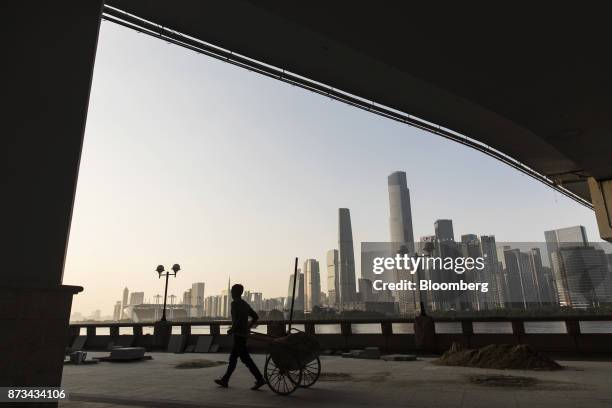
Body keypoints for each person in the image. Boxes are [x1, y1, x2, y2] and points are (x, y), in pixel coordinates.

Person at [214, 284, 266, 390]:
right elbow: (255, 317)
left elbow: (238, 319)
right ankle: (225, 380)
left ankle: (260, 378)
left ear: (235, 293)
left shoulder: (235, 304)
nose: (231, 293)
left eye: (232, 291)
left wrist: (232, 329)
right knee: (233, 358)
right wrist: (248, 327)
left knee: (245, 359)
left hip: (239, 335)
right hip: (243, 334)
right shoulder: (245, 304)